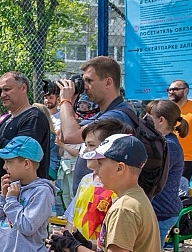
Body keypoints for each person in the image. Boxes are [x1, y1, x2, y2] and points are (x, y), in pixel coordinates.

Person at [49, 134, 166, 252]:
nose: (94, 169)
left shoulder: (124, 209)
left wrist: (74, 248)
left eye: (101, 163)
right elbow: (125, 250)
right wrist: (86, 244)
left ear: (120, 168)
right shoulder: (136, 198)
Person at [59, 118, 128, 252]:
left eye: (91, 145)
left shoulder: (116, 190)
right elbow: (72, 222)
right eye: (84, 145)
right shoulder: (86, 180)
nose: (84, 151)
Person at [57, 56, 137, 193]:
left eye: (89, 81)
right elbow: (65, 133)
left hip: (102, 199)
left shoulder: (117, 116)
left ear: (108, 83)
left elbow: (71, 135)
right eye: (83, 81)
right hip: (90, 195)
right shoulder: (102, 114)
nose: (85, 87)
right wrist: (73, 99)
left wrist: (65, 100)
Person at [0, 71, 51, 199]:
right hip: (4, 194)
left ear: (23, 88)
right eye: (0, 90)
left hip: (25, 196)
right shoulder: (7, 119)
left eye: (7, 89)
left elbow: (22, 153)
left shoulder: (34, 118)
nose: (2, 95)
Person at [145, 100, 188, 247]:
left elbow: (150, 175)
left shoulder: (169, 146)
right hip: (161, 209)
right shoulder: (164, 143)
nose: (144, 121)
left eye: (148, 117)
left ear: (161, 120)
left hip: (162, 211)